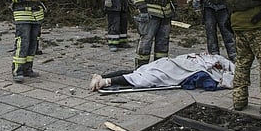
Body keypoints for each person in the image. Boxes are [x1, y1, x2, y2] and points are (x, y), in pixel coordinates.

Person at [5, 0, 63, 83]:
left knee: (32, 43)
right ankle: (17, 71)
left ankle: (27, 69)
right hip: (23, 14)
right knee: (22, 42)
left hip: (36, 14)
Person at [89, 53, 235, 91]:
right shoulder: (217, 63)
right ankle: (106, 80)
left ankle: (103, 78)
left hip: (172, 63)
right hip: (175, 67)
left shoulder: (214, 61)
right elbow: (212, 82)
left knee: (142, 72)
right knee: (145, 77)